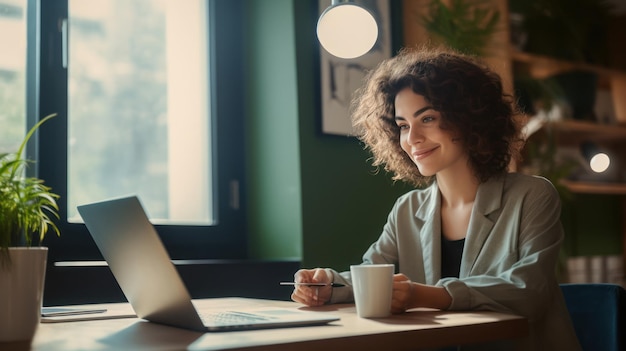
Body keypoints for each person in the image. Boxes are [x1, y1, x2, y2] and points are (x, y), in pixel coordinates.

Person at [290, 47, 581, 350]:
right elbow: (373, 277)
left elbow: (529, 291)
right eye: (403, 125)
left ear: (468, 118)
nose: (412, 138)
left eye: (427, 118)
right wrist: (327, 284)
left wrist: (423, 295)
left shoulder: (532, 196)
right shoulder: (407, 209)